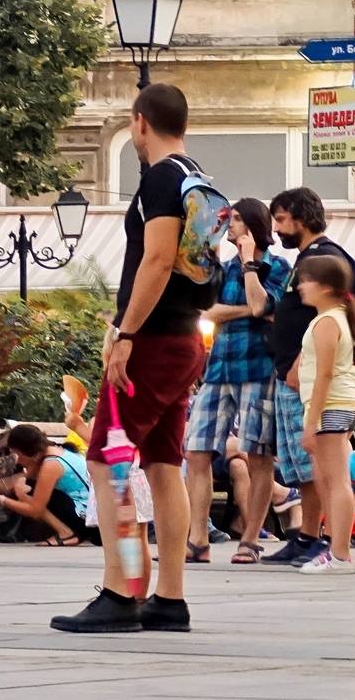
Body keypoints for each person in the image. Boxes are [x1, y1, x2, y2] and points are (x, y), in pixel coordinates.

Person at [52, 82, 214, 635]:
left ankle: (123, 591)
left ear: (140, 122)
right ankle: (169, 598)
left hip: (154, 342)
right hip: (186, 338)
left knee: (105, 459)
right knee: (164, 466)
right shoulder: (198, 177)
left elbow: (159, 259)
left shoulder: (161, 179)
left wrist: (124, 332)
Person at [261, 186, 355, 567]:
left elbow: (323, 373)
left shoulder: (324, 267)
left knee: (330, 477)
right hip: (327, 395)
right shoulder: (330, 307)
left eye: (281, 219)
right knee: (326, 475)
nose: (276, 229)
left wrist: (311, 416)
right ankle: (326, 543)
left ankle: (333, 548)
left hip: (324, 398)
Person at [185, 196, 287, 564]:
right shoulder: (220, 268)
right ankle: (198, 537)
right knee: (196, 450)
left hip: (259, 370)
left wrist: (249, 266)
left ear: (254, 227)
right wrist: (248, 310)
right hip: (219, 369)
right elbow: (208, 310)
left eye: (238, 219)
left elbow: (264, 304)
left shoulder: (277, 266)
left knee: (259, 454)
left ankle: (250, 539)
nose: (230, 224)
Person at [290, 251, 355, 572]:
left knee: (336, 482)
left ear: (324, 287)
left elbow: (324, 374)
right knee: (333, 479)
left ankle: (339, 553)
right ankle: (338, 550)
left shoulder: (326, 322)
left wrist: (312, 422)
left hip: (332, 406)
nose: (299, 286)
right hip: (344, 404)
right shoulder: (338, 318)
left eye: (306, 280)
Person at [0, 423, 100, 545]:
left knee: (31, 488)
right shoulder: (59, 450)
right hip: (92, 518)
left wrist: (1, 500)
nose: (17, 459)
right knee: (28, 485)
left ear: (25, 452)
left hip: (87, 523)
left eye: (16, 454)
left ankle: (66, 533)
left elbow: (35, 510)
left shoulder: (51, 465)